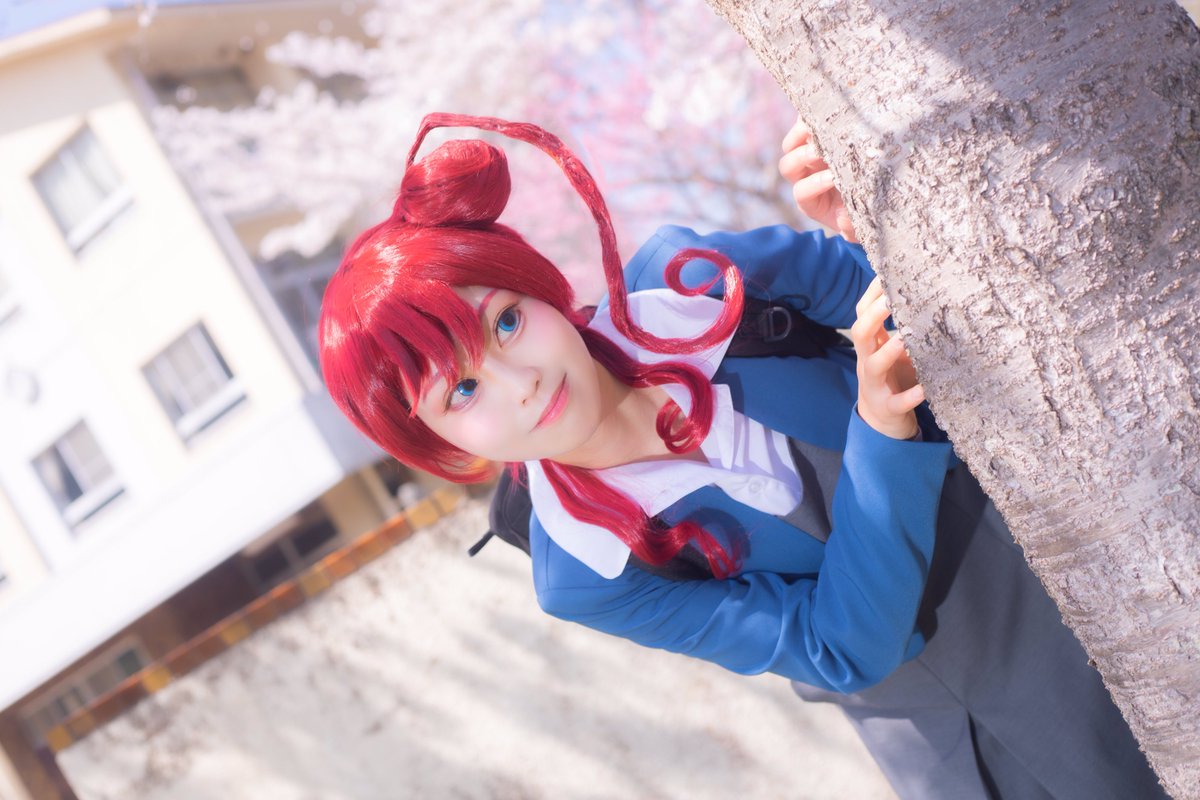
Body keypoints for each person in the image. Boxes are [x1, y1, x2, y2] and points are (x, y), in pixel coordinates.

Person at [318, 113, 1165, 799]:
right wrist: (879, 429)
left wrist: (865, 224)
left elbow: (946, 310)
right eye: (462, 391)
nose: (520, 380)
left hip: (1098, 532)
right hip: (999, 717)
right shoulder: (583, 571)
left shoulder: (691, 279)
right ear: (439, 443)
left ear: (540, 287)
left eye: (506, 320)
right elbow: (841, 649)